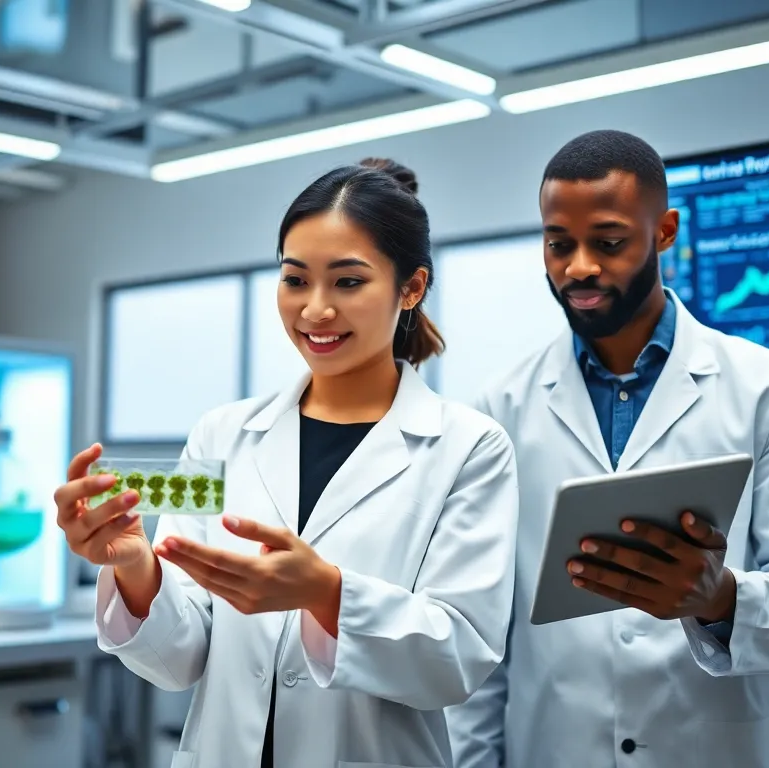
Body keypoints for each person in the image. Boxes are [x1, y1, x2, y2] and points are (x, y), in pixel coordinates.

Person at [56, 158, 519, 768]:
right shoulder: (222, 434)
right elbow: (179, 659)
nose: (315, 310)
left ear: (411, 288)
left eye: (349, 282)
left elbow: (457, 660)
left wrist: (327, 593)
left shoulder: (469, 448)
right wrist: (136, 566)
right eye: (295, 280)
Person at [444, 130, 769, 768]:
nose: (578, 266)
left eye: (608, 243)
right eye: (559, 245)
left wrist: (721, 599)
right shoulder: (499, 409)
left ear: (664, 232)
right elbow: (483, 638)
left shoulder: (768, 387)